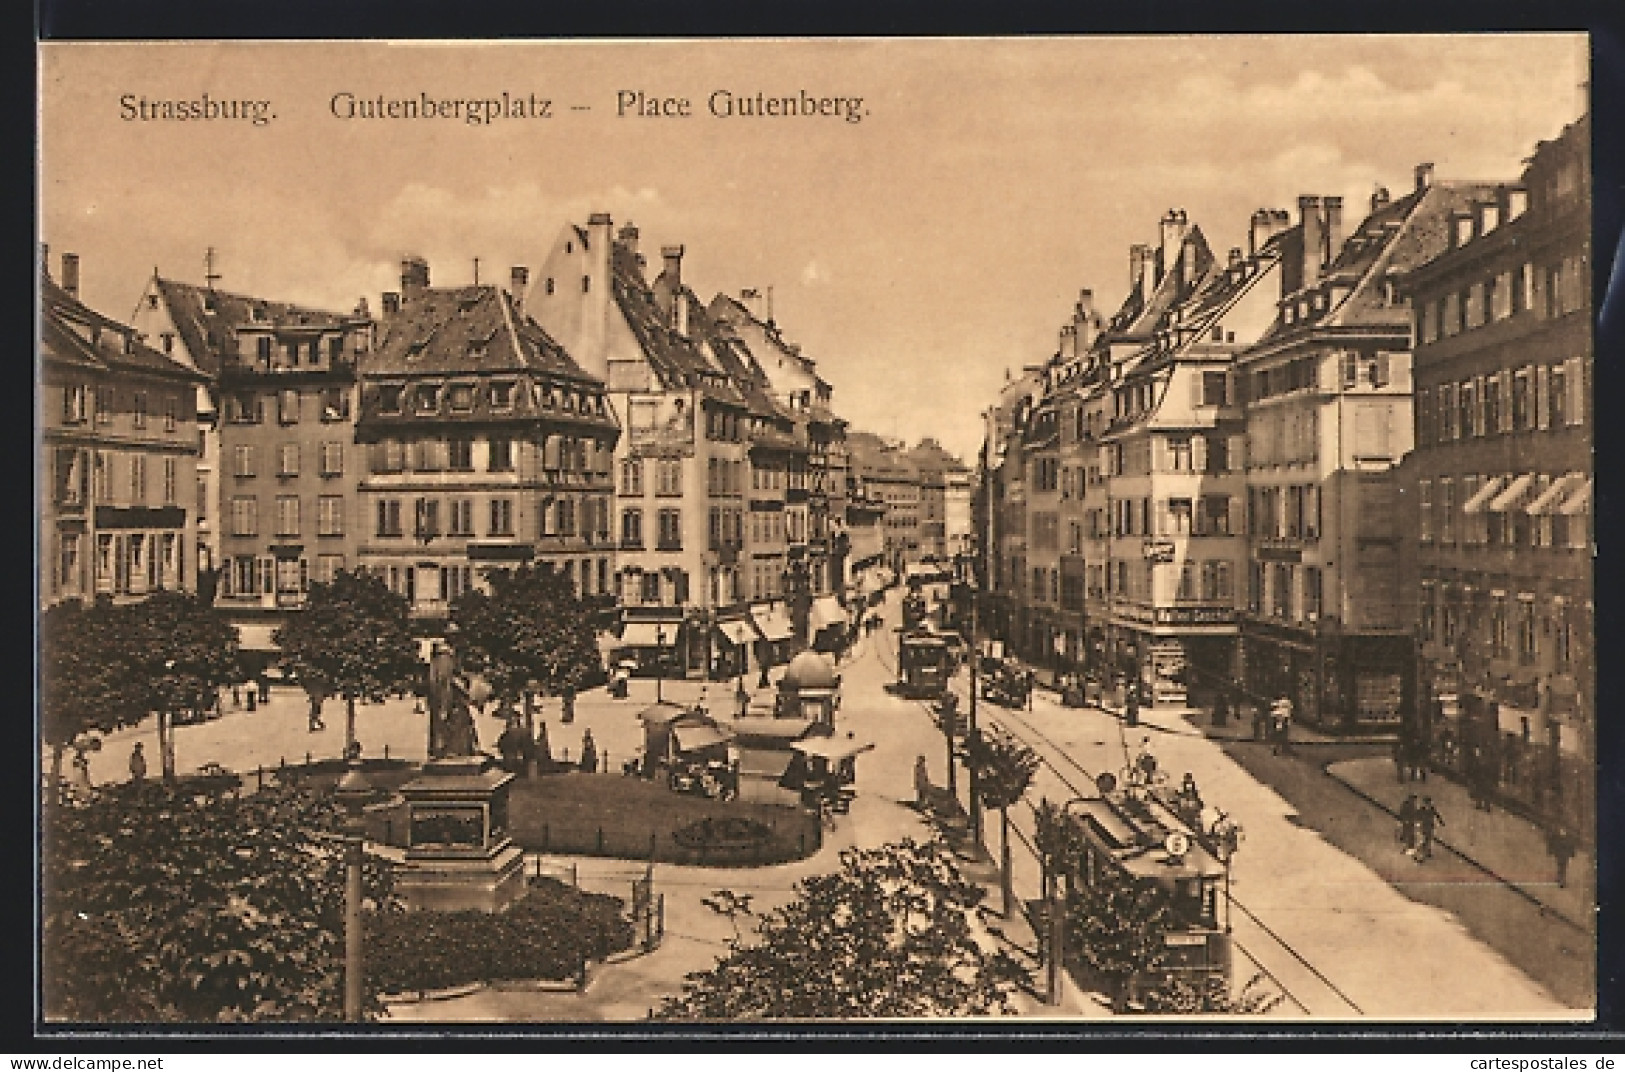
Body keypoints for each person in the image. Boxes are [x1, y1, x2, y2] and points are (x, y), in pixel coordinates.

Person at [1547, 823, 1576, 889]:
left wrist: (1571, 857)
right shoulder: (1557, 838)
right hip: (1559, 856)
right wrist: (1551, 853)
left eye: (1562, 831)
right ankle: (1559, 879)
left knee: (1563, 869)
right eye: (1560, 831)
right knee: (1560, 867)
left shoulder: (1569, 840)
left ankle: (1562, 883)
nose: (1561, 832)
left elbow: (1571, 848)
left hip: (1565, 857)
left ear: (1565, 831)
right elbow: (1554, 845)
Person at [1415, 795, 1444, 861]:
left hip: (1431, 827)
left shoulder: (1432, 809)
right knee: (1426, 840)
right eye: (1427, 803)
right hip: (1424, 827)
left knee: (1429, 840)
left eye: (1430, 803)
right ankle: (1419, 851)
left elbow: (1437, 815)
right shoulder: (1422, 810)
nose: (1429, 805)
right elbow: (1417, 815)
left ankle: (1426, 852)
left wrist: (1441, 822)